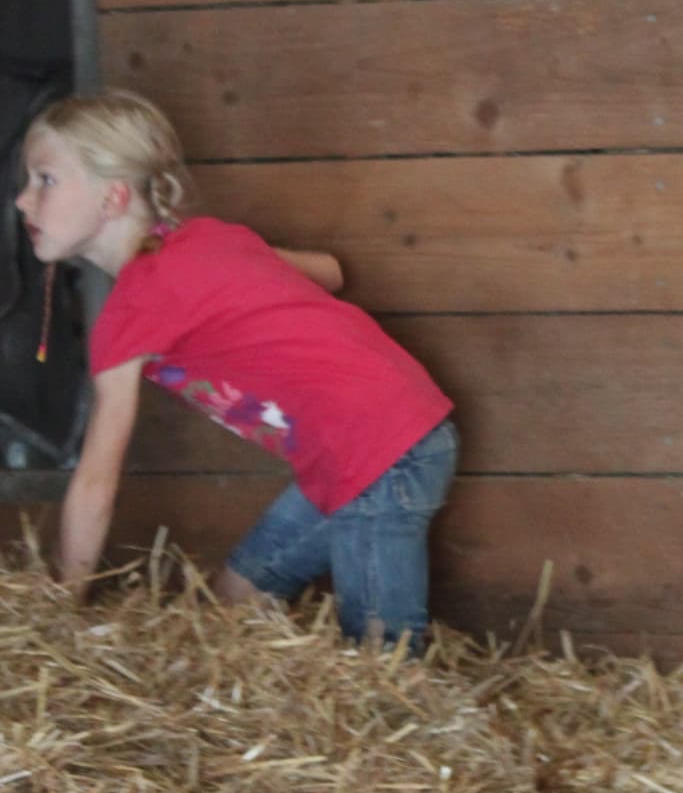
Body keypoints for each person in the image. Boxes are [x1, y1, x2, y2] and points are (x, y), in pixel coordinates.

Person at [16, 90, 457, 648]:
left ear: (113, 198)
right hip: (368, 440)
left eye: (45, 180)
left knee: (383, 660)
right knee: (234, 602)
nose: (23, 202)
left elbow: (96, 484)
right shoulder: (209, 239)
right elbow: (331, 273)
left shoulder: (133, 311)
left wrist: (60, 605)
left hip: (379, 450)